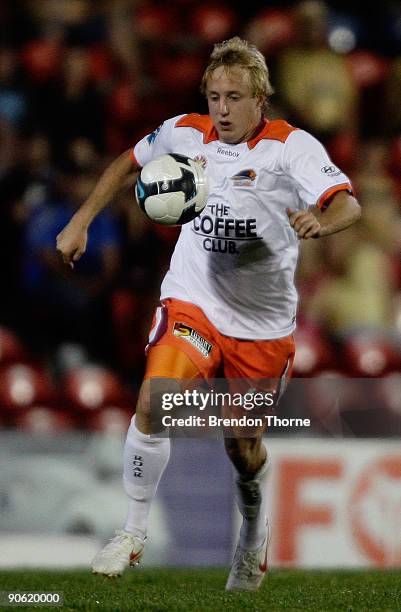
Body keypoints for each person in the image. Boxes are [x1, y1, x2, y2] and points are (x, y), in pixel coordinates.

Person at [56, 37, 361, 591]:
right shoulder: (184, 131)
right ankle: (132, 532)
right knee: (155, 398)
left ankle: (252, 532)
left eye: (235, 97)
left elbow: (348, 202)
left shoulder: (291, 148)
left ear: (260, 99)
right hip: (194, 298)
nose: (222, 109)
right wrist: (81, 220)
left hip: (261, 324)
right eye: (215, 96)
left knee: (242, 449)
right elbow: (130, 160)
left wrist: (323, 222)